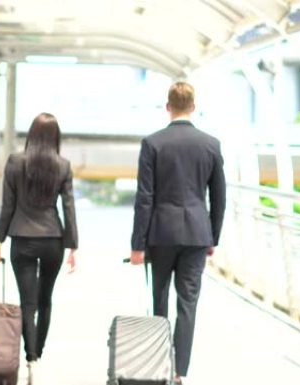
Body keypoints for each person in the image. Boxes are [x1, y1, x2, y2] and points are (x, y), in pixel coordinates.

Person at [129, 82, 226, 385]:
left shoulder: (153, 143)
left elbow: (145, 197)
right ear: (193, 107)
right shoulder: (211, 144)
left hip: (160, 233)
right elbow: (219, 197)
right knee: (188, 304)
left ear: (167, 106)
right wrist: (213, 238)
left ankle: (159, 364)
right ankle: (179, 372)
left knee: (159, 299)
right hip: (197, 234)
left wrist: (137, 245)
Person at [0, 112, 78, 382]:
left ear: (30, 135)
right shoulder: (63, 165)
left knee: (27, 302)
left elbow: (8, 208)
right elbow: (69, 207)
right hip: (53, 240)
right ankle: (38, 351)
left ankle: (31, 360)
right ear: (55, 137)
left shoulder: (15, 163)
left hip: (22, 240)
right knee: (45, 300)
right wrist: (73, 246)